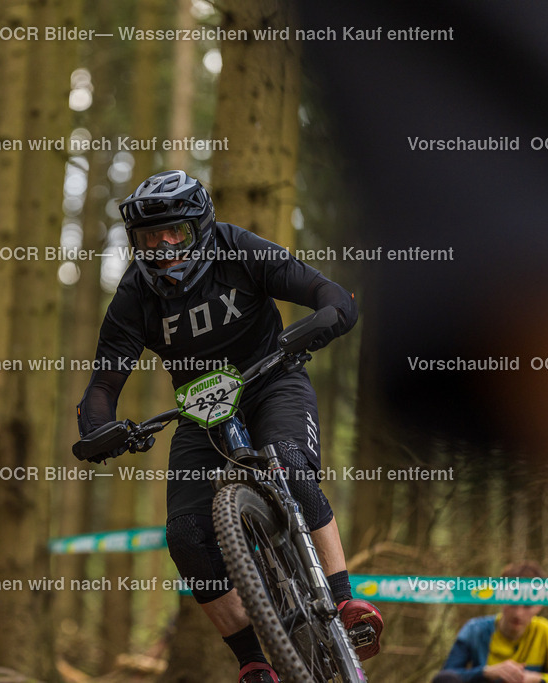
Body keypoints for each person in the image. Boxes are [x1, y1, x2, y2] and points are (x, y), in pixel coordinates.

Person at [75, 170, 382, 683]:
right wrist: (98, 431)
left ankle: (344, 601)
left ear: (200, 227)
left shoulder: (238, 248)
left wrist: (329, 314)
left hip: (272, 381)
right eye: (151, 238)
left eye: (176, 233)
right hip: (202, 412)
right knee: (186, 535)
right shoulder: (133, 294)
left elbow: (323, 290)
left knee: (290, 468)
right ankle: (253, 662)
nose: (165, 247)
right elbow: (104, 383)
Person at [432, 562, 548, 683]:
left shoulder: (545, 632)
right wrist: (486, 672)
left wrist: (539, 680)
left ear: (539, 605)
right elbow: (444, 678)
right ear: (500, 598)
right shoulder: (475, 630)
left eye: (527, 605)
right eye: (513, 603)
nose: (518, 613)